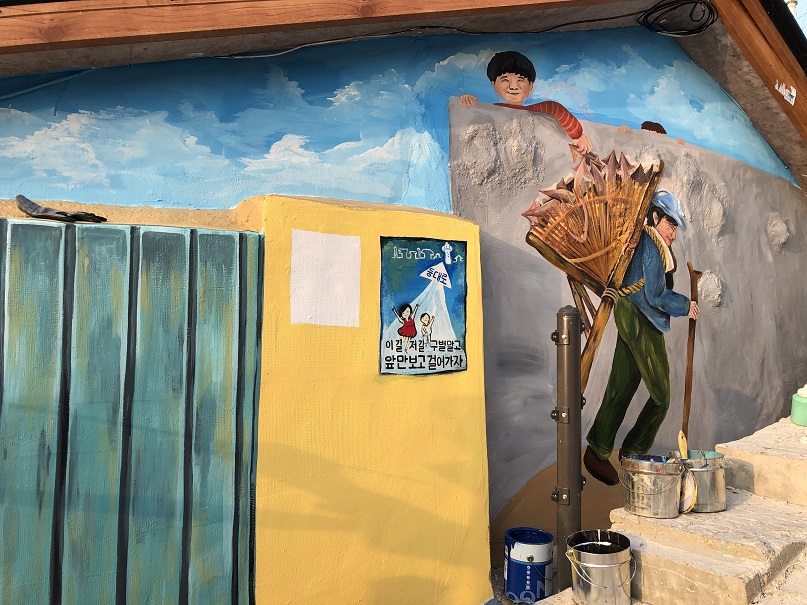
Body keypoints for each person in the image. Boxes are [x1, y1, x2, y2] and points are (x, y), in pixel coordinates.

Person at [584, 190, 699, 485]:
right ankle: (633, 450)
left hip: (629, 312)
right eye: (670, 224)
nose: (673, 233)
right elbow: (656, 295)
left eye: (675, 227)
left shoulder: (649, 242)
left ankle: (597, 451)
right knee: (661, 397)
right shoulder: (650, 244)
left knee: (622, 384)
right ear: (656, 217)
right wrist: (685, 306)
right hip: (641, 319)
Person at [459, 50, 592, 154]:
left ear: (531, 85)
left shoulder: (535, 110)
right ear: (494, 84)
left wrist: (577, 135)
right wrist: (470, 102)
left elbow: (556, 108)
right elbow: (479, 116)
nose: (513, 86)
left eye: (520, 79)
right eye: (505, 79)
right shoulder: (494, 110)